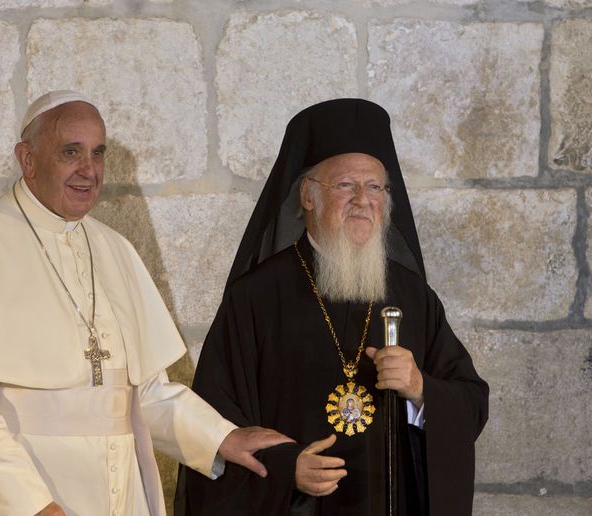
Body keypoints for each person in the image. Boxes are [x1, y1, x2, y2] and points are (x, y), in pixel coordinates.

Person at [0, 90, 291, 516]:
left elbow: (145, 393)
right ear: (28, 159)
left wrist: (221, 437)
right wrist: (30, 505)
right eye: (71, 152)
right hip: (12, 499)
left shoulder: (115, 249)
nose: (89, 170)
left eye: (98, 153)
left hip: (118, 494)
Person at [178, 99, 489, 515]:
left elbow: (471, 403)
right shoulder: (254, 297)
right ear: (308, 196)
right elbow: (215, 424)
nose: (363, 199)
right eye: (345, 185)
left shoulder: (413, 295)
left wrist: (420, 388)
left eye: (375, 187)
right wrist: (285, 467)